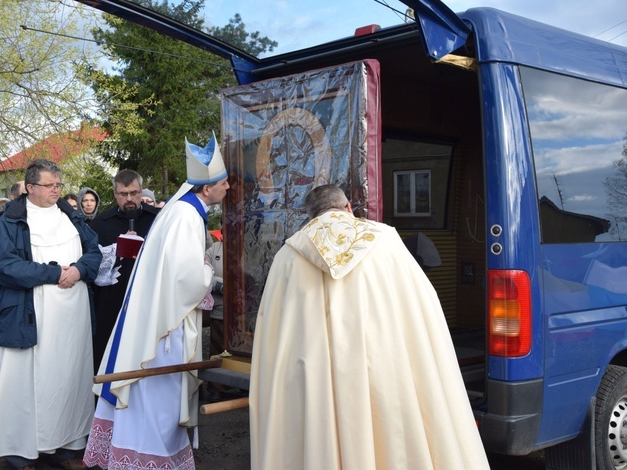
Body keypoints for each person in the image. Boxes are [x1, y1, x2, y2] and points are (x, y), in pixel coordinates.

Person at [249, 184, 489, 470]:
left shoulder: (287, 257)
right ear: (348, 207)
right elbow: (422, 305)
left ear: (310, 217)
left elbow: (272, 331)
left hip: (317, 381)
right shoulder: (385, 240)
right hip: (384, 369)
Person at [85, 136, 229, 470]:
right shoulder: (185, 217)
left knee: (151, 393)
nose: (228, 188)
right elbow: (186, 279)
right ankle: (148, 458)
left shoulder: (181, 210)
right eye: (223, 183)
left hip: (159, 315)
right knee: (157, 394)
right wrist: (209, 271)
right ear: (207, 189)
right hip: (165, 327)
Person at [0, 159, 101, 470]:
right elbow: (4, 266)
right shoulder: (9, 222)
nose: (56, 190)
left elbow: (94, 251)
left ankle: (67, 446)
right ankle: (21, 452)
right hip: (27, 316)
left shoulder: (70, 215)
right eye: (50, 185)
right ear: (30, 187)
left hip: (71, 317)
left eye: (59, 185)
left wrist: (78, 270)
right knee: (24, 383)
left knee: (68, 379)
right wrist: (52, 274)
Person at [89, 169, 160, 370]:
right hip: (112, 298)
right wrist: (117, 252)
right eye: (123, 194)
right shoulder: (101, 223)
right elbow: (92, 261)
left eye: (134, 193)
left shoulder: (156, 218)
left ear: (141, 191)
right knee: (109, 350)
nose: (129, 199)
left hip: (147, 296)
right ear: (115, 194)